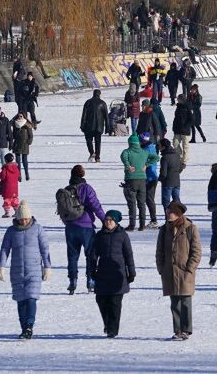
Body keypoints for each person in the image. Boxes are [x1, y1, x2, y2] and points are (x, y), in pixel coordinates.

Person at [0, 200, 51, 339]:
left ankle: (29, 326)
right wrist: (1, 266)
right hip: (17, 270)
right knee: (21, 300)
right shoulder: (11, 231)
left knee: (31, 298)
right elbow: (5, 249)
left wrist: (47, 267)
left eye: (26, 218)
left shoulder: (38, 229)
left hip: (34, 270)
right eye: (21, 218)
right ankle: (23, 328)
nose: (23, 221)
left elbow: (45, 249)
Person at [155, 201, 202, 341]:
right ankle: (177, 330)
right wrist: (161, 268)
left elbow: (197, 251)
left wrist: (190, 269)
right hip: (169, 271)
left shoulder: (190, 228)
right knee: (174, 302)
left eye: (171, 212)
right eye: (168, 212)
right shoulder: (164, 230)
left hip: (185, 272)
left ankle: (186, 330)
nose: (168, 214)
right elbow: (159, 251)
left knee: (185, 301)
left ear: (179, 214)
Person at [88, 210, 135, 338]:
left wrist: (131, 272)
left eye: (110, 220)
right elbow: (93, 254)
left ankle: (112, 330)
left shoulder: (122, 235)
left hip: (117, 274)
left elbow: (128, 254)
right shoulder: (99, 235)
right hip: (103, 273)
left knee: (115, 303)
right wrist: (91, 270)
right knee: (101, 300)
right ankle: (108, 324)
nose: (108, 222)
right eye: (106, 220)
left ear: (116, 222)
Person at [61, 164, 106, 294]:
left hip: (70, 227)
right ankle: (91, 280)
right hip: (86, 226)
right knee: (90, 254)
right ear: (82, 175)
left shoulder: (67, 189)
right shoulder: (86, 188)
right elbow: (95, 205)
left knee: (72, 255)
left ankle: (73, 280)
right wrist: (104, 219)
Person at [121, 134, 160, 231]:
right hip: (142, 181)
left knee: (132, 204)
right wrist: (147, 164)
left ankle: (132, 225)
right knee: (141, 203)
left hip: (131, 180)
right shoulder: (144, 152)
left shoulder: (127, 151)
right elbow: (156, 158)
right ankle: (142, 225)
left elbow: (123, 156)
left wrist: (128, 165)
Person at [80, 89, 108, 163]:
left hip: (89, 126)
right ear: (99, 94)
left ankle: (92, 152)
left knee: (89, 140)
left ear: (93, 94)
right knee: (98, 141)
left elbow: (84, 115)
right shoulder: (103, 103)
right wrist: (108, 127)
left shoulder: (88, 102)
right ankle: (97, 157)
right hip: (99, 126)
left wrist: (82, 125)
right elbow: (106, 117)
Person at [159, 139, 182, 208]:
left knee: (166, 202)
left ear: (163, 147)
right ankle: (178, 217)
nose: (159, 147)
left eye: (159, 145)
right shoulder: (177, 155)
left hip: (167, 183)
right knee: (177, 201)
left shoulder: (165, 157)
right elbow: (180, 168)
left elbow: (163, 173)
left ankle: (168, 218)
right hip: (176, 181)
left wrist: (160, 179)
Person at [171, 95, 194, 165]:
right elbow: (176, 118)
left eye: (178, 99)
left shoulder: (188, 106)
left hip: (185, 131)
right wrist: (174, 126)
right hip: (177, 130)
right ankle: (180, 157)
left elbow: (192, 119)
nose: (177, 100)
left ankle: (184, 161)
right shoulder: (178, 107)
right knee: (175, 144)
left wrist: (186, 126)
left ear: (182, 99)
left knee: (185, 146)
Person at [10, 113, 33, 180]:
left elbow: (30, 135)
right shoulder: (15, 124)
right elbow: (13, 133)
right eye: (18, 116)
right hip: (17, 144)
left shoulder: (27, 124)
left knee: (24, 160)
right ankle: (18, 174)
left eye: (21, 116)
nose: (20, 117)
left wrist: (29, 142)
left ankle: (26, 173)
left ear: (24, 117)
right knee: (17, 161)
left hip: (25, 144)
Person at [0, 153, 20, 217]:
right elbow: (18, 175)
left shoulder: (5, 168)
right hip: (15, 188)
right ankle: (17, 211)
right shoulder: (16, 167)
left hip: (7, 187)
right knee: (14, 199)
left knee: (7, 200)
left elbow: (2, 177)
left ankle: (7, 212)